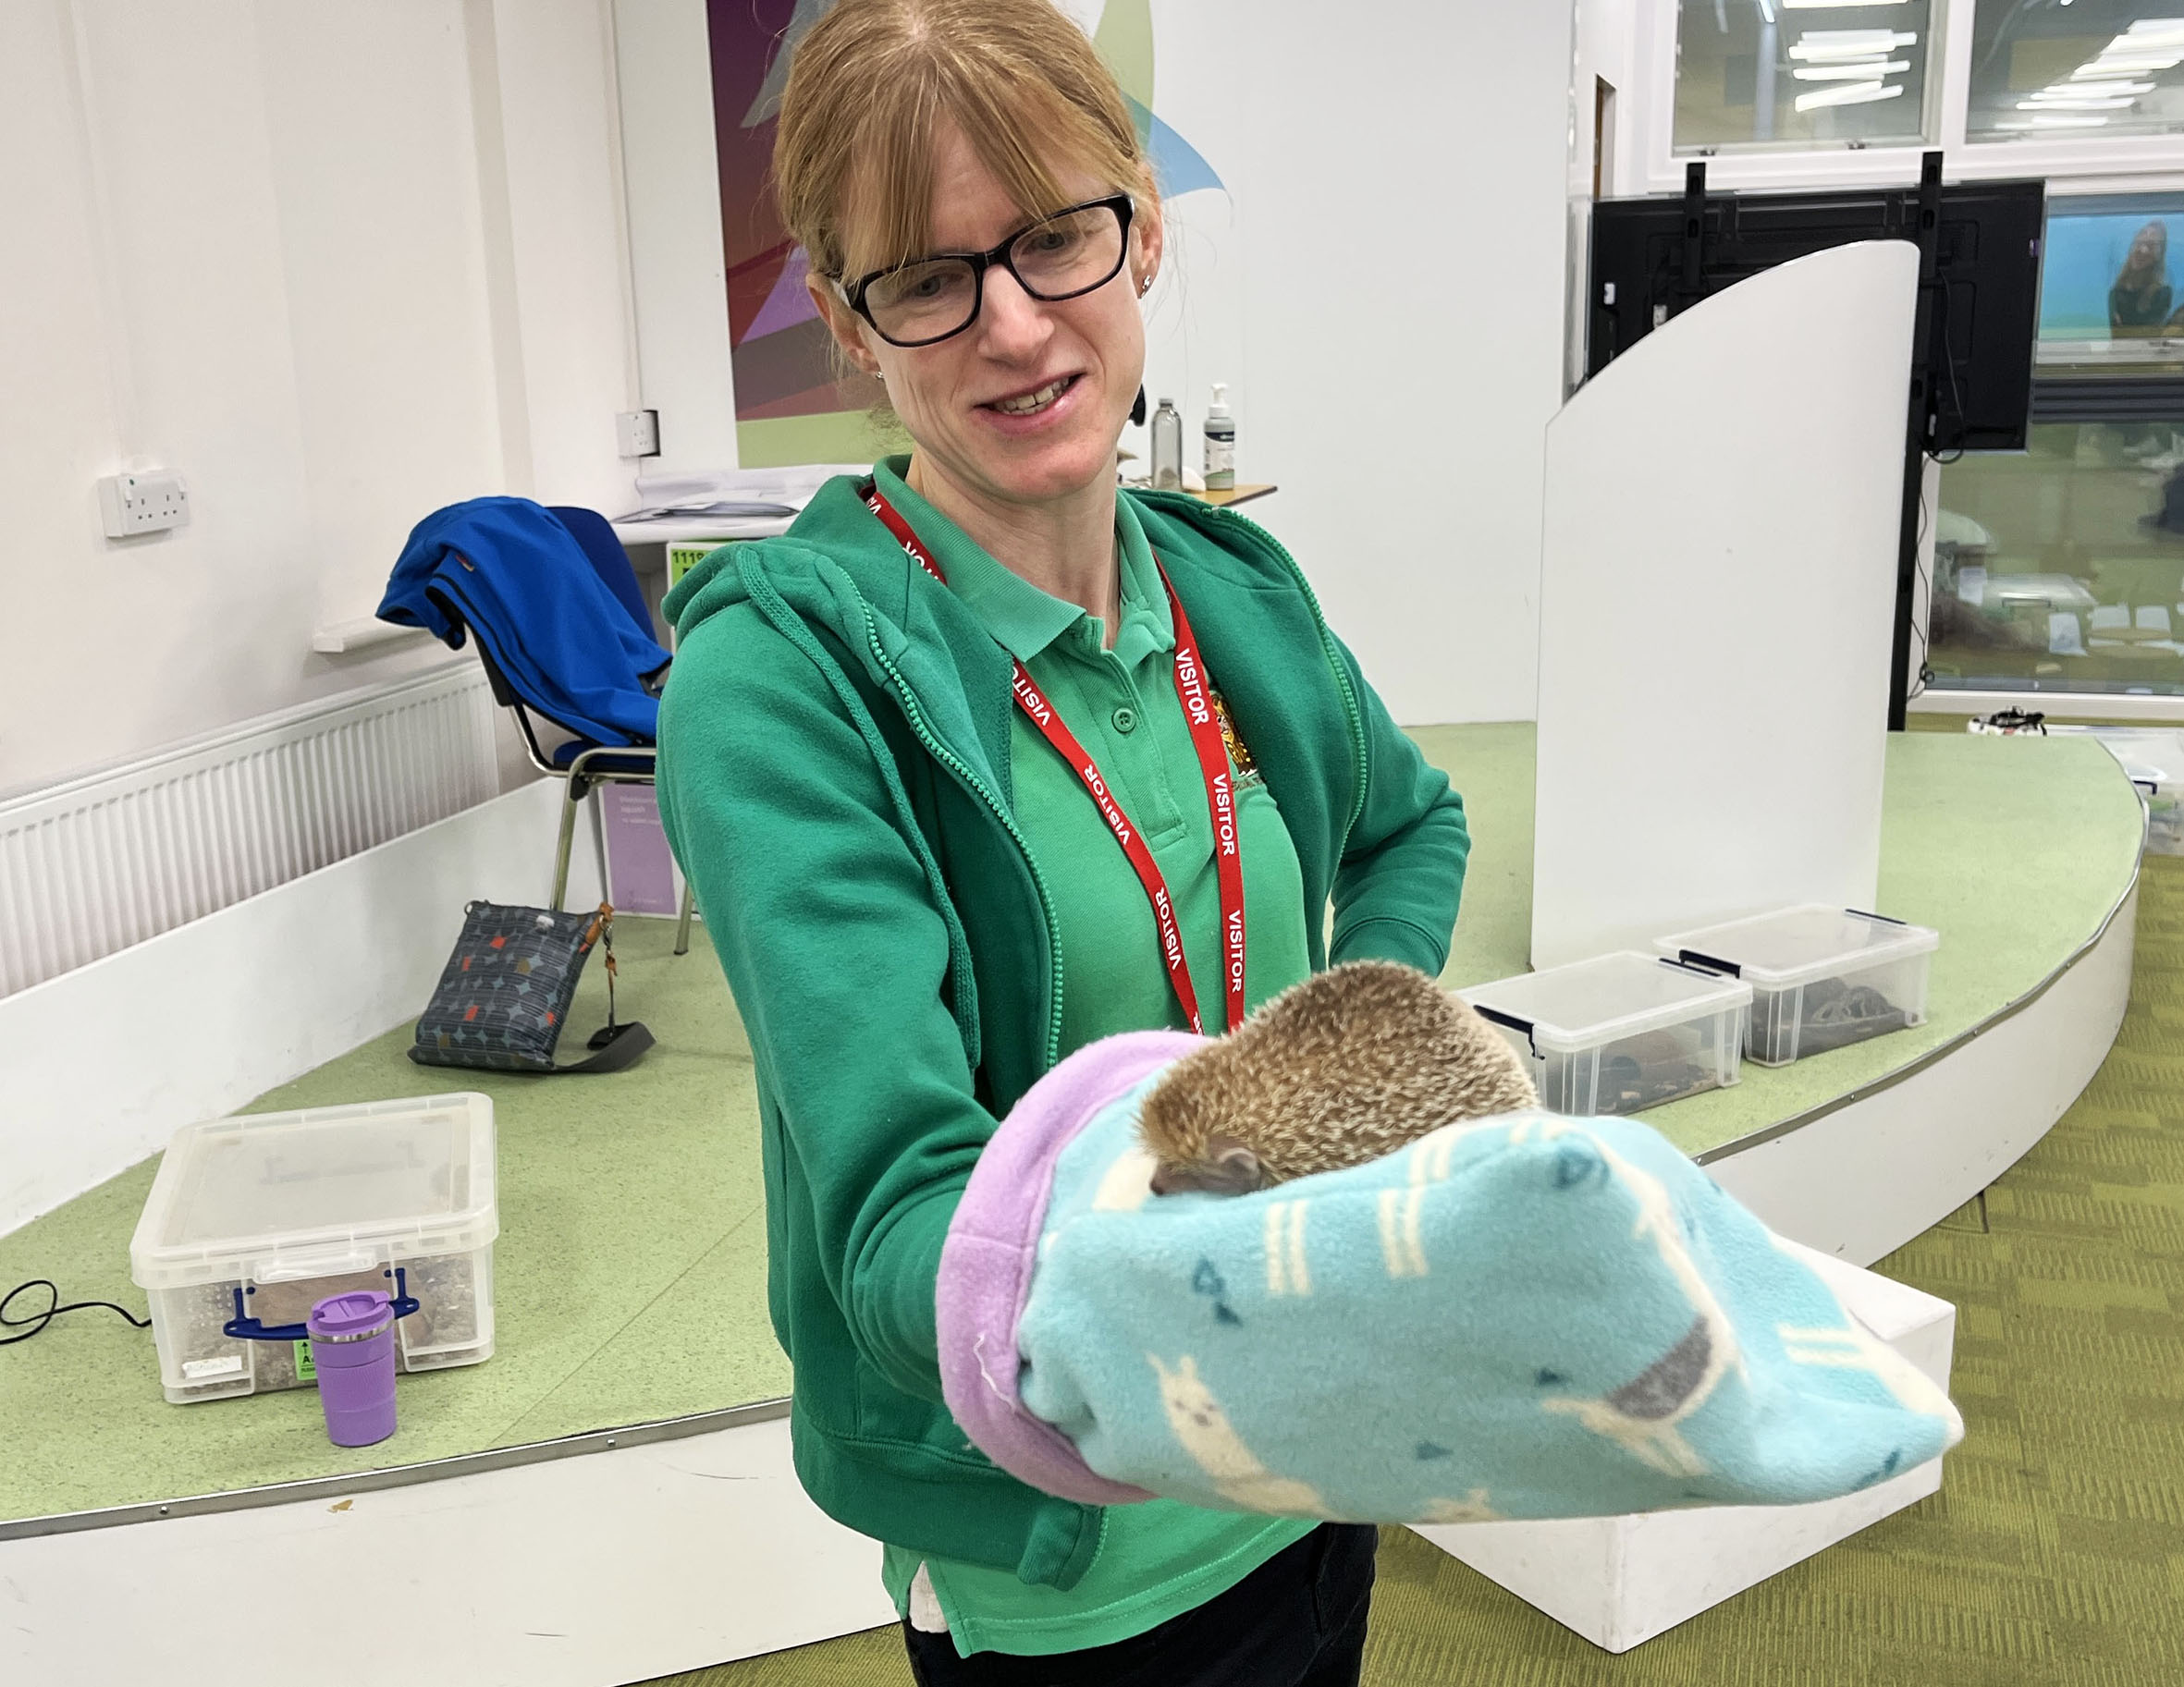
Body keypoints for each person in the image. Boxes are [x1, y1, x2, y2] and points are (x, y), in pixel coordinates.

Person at [656, 2, 1467, 1681]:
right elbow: (895, 1230)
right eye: (928, 277)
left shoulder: (1226, 588)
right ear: (843, 318)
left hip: (1316, 1458)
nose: (1014, 326)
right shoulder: (781, 684)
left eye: (1051, 238)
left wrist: (1344, 1087)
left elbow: (1413, 823)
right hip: (1079, 1557)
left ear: (1142, 229)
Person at [2111, 218, 2172, 338]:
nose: (2142, 250)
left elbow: (2150, 339)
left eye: (2151, 246)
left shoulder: (2161, 295)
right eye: (2139, 243)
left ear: (2158, 256)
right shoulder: (2115, 292)